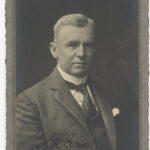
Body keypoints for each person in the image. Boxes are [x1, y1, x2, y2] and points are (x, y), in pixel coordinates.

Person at [16, 14, 119, 150]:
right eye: (72, 45)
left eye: (88, 45)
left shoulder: (107, 90)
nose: (81, 53)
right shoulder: (29, 102)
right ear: (54, 50)